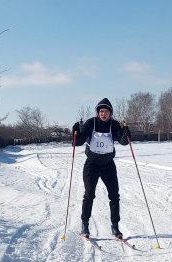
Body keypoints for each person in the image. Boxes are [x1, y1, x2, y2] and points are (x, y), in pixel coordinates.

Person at [72, 98, 131, 239]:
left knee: (114, 195)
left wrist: (126, 133)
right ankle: (85, 225)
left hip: (108, 165)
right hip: (91, 164)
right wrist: (76, 133)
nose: (103, 114)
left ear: (110, 113)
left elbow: (123, 142)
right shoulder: (91, 123)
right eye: (101, 111)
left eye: (106, 111)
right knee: (89, 194)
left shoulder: (114, 124)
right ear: (98, 112)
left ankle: (115, 227)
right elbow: (78, 142)